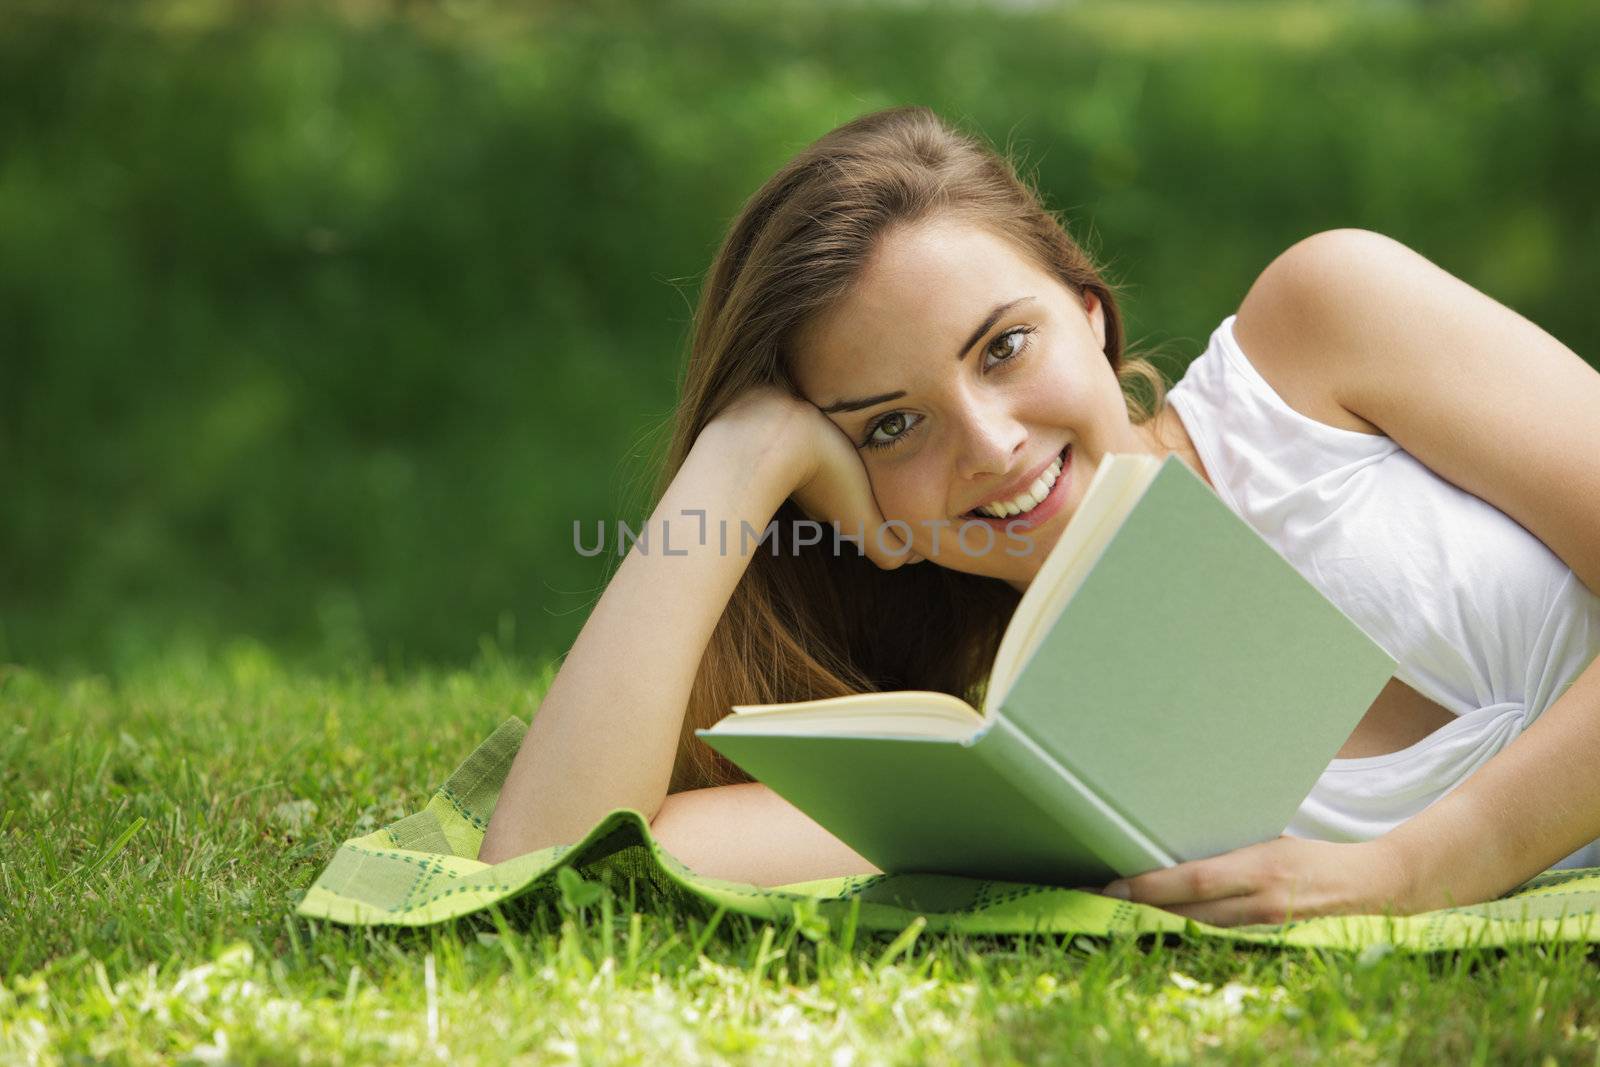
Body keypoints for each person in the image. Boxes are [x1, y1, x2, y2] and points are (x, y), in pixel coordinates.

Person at [478, 105, 1600, 927]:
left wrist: (1426, 865)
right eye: (888, 427)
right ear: (869, 505)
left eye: (1002, 347)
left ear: (1091, 315)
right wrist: (739, 460)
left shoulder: (1319, 338)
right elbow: (550, 861)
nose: (987, 441)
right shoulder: (1032, 776)